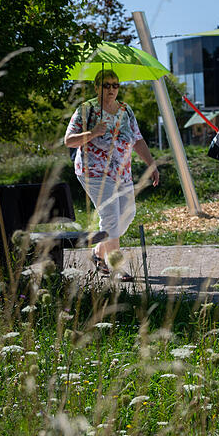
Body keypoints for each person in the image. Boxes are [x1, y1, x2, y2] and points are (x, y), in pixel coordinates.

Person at [64, 69, 159, 281]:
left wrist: (151, 164)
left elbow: (137, 140)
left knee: (127, 214)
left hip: (122, 172)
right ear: (96, 87)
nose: (111, 89)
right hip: (94, 172)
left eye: (115, 85)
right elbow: (69, 140)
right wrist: (93, 132)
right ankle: (116, 265)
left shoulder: (126, 110)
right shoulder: (86, 110)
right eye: (106, 85)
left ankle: (99, 252)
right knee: (111, 217)